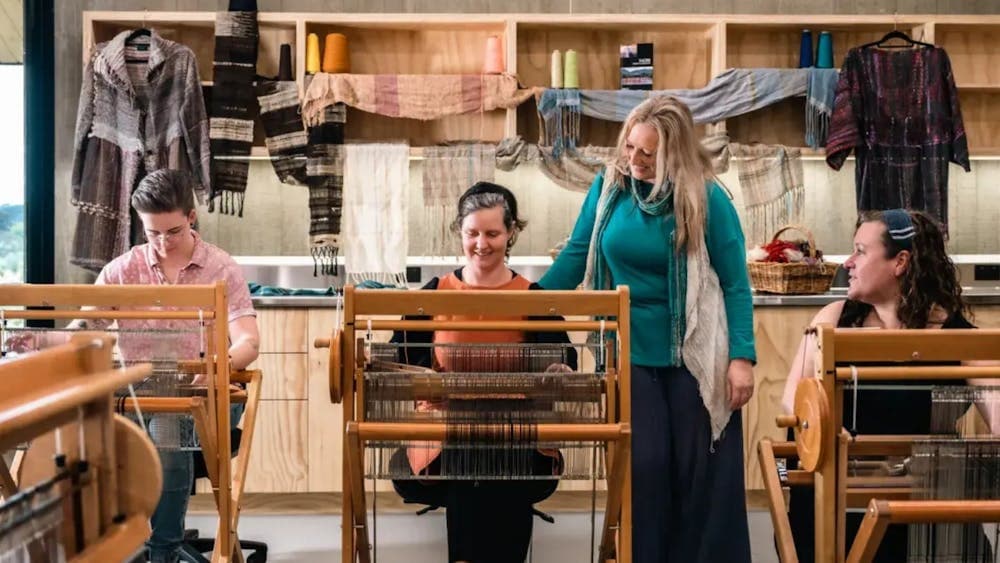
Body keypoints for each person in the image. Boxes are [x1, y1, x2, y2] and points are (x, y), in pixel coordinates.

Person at [538, 95, 756, 562]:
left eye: (646, 153)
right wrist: (529, 304)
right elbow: (577, 255)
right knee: (645, 470)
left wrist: (742, 357)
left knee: (700, 476)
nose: (632, 160)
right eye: (629, 147)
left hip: (695, 355)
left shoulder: (706, 198)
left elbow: (737, 284)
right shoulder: (609, 189)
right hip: (628, 353)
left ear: (673, 155)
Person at [40, 169, 259, 563]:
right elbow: (84, 331)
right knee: (78, 440)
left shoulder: (221, 268)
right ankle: (106, 545)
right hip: (133, 391)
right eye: (151, 232)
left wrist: (213, 365)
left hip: (198, 392)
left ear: (191, 217)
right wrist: (33, 342)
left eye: (172, 231)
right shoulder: (122, 271)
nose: (162, 243)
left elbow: (248, 342)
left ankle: (164, 552)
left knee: (165, 434)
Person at [388, 181, 575, 563]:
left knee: (493, 454)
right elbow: (400, 357)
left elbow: (565, 356)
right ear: (459, 231)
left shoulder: (532, 297)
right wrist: (425, 381)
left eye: (492, 233)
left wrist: (558, 370)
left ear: (511, 234)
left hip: (517, 439)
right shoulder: (434, 294)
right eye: (472, 233)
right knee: (471, 452)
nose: (481, 243)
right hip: (448, 437)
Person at [781, 208, 980, 562]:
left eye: (860, 251)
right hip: (841, 500)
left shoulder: (959, 338)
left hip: (922, 506)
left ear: (900, 262)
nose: (847, 263)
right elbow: (795, 407)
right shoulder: (834, 320)